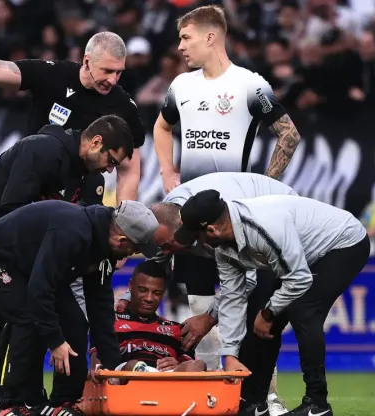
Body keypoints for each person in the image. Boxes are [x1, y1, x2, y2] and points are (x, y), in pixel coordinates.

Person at [152, 6, 302, 414]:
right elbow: (162, 126)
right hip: (192, 220)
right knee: (201, 308)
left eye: (186, 38)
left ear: (211, 37)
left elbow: (288, 133)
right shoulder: (181, 86)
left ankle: (265, 395)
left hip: (236, 220)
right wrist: (168, 172)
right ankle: (219, 394)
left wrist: (266, 187)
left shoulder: (250, 85)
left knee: (253, 308)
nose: (180, 46)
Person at [0, 115, 131, 415]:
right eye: (111, 160)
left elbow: (83, 245)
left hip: (39, 256)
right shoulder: (43, 150)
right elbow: (10, 209)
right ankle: (2, 397)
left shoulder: (93, 180)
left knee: (71, 321)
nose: (109, 169)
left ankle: (60, 402)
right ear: (95, 142)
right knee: (16, 315)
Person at [174, 190, 370, 416]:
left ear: (211, 230)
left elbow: (299, 279)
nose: (198, 243)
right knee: (259, 311)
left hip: (343, 242)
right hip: (301, 257)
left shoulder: (263, 228)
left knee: (303, 311)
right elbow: (232, 299)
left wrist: (268, 314)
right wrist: (229, 355)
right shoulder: (224, 247)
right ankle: (254, 404)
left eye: (196, 236)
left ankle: (317, 405)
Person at [0, 200, 159, 416]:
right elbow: (39, 290)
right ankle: (4, 400)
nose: (131, 254)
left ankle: (62, 401)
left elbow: (101, 309)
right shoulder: (73, 232)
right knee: (27, 317)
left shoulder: (104, 247)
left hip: (32, 268)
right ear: (121, 239)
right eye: (135, 248)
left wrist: (113, 367)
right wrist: (56, 341)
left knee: (76, 323)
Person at [0, 31, 145, 203]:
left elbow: (129, 168)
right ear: (87, 61)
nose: (113, 80)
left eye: (119, 72)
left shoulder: (123, 106)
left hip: (80, 195)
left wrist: (122, 220)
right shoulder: (53, 74)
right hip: (28, 179)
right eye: (107, 71)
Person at [90, 260, 207, 377]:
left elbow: (187, 365)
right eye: (143, 290)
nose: (149, 298)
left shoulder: (177, 329)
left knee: (199, 365)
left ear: (163, 293)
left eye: (157, 293)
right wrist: (99, 371)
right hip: (124, 377)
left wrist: (177, 364)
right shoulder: (110, 321)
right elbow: (97, 360)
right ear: (130, 286)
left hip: (166, 377)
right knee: (133, 365)